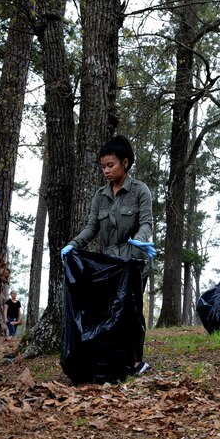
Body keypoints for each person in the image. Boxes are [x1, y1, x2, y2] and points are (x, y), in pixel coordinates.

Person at [61, 135, 155, 374]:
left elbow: (146, 223)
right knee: (109, 312)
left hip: (133, 261)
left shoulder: (139, 191)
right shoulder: (100, 196)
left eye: (110, 165)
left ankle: (135, 361)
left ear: (125, 163)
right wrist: (74, 245)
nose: (106, 171)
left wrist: (140, 241)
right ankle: (112, 360)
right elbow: (92, 227)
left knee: (132, 312)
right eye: (103, 166)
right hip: (109, 265)